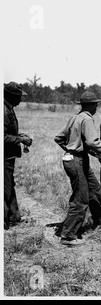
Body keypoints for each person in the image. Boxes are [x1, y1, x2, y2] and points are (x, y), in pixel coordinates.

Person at [54, 91, 101, 246]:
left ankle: (99, 222)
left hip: (76, 159)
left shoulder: (74, 118)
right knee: (81, 198)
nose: (96, 107)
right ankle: (68, 236)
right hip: (77, 161)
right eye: (95, 104)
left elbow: (58, 138)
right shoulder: (87, 120)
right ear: (90, 105)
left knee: (95, 190)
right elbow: (93, 142)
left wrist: (71, 148)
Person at [4, 82, 33, 230]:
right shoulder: (3, 110)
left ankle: (14, 217)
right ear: (11, 96)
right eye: (19, 97)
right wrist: (20, 139)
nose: (21, 100)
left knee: (9, 186)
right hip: (4, 158)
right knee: (5, 188)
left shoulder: (8, 108)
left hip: (8, 157)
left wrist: (19, 135)